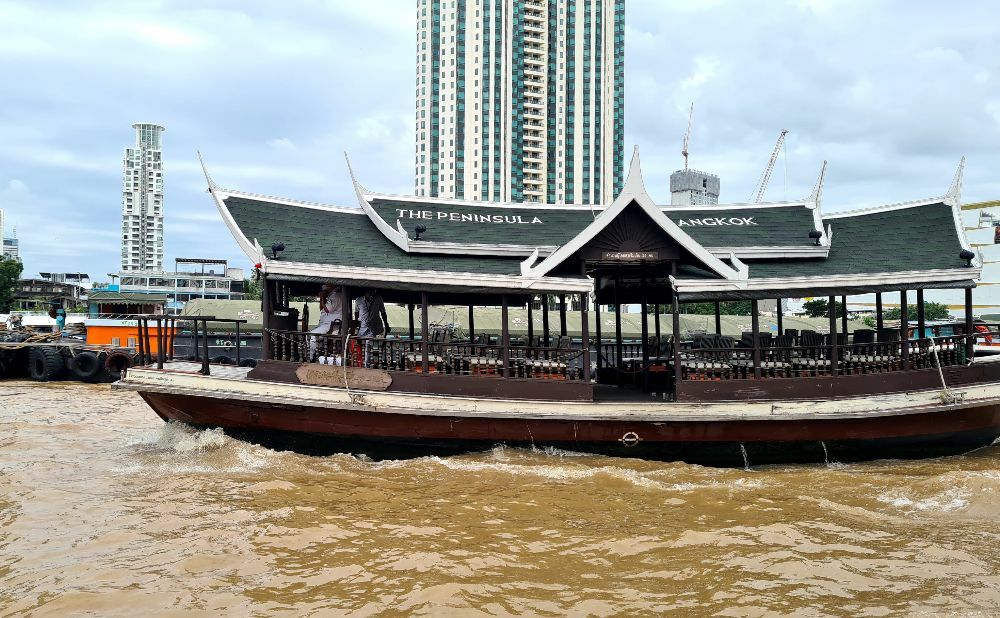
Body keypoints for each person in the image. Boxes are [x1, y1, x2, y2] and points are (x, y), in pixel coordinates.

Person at [355, 288, 390, 366]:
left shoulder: (378, 298)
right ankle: (361, 363)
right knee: (359, 345)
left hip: (374, 327)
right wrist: (356, 327)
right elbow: (356, 314)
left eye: (373, 292)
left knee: (368, 345)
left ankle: (367, 366)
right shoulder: (358, 300)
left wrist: (386, 325)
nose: (371, 294)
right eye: (369, 292)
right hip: (363, 328)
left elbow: (383, 313)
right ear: (365, 292)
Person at [309, 283, 343, 360]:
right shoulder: (331, 296)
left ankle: (309, 359)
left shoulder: (335, 295)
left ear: (332, 286)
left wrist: (322, 296)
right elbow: (322, 309)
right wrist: (322, 298)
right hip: (327, 324)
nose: (324, 286)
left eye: (326, 285)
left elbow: (328, 310)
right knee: (314, 336)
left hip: (331, 326)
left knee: (311, 336)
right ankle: (316, 356)